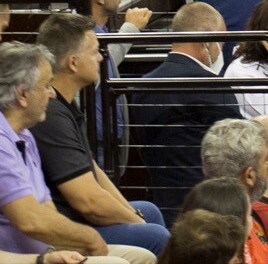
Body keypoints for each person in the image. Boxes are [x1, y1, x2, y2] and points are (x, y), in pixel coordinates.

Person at [0, 42, 149, 264]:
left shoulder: (24, 134)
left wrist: (65, 248)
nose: (52, 94)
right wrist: (89, 238)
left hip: (49, 251)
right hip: (20, 259)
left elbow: (46, 207)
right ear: (23, 95)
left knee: (143, 257)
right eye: (46, 86)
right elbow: (31, 221)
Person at [31, 14, 169, 256]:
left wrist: (131, 214)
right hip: (70, 228)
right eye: (95, 51)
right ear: (73, 63)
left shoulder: (66, 104)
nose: (101, 57)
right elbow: (88, 202)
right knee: (155, 236)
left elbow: (92, 169)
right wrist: (137, 223)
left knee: (148, 210)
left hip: (81, 218)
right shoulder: (51, 115)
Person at [132, 3, 244, 221]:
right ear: (207, 39)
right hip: (210, 209)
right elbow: (237, 151)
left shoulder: (142, 85)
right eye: (221, 40)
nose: (222, 48)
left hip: (162, 206)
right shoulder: (211, 86)